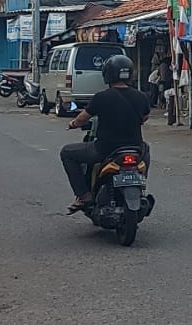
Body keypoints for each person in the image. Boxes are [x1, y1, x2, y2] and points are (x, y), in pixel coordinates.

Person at [62, 54, 151, 211]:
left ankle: (84, 195)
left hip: (105, 149)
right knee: (147, 148)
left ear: (107, 74)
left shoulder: (101, 97)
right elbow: (144, 118)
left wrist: (73, 123)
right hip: (135, 148)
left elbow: (83, 118)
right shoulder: (141, 96)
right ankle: (141, 182)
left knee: (67, 153)